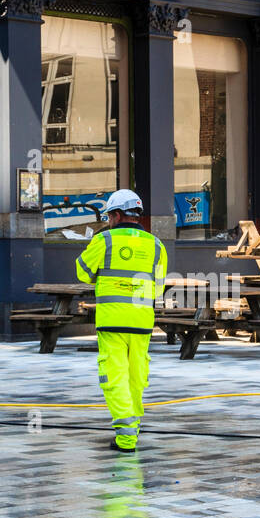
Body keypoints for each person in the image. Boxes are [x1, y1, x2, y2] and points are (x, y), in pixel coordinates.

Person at [75, 189, 167, 452]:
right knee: (136, 376)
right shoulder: (156, 245)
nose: (108, 220)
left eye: (109, 216)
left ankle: (126, 436)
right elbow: (158, 288)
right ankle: (133, 428)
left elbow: (82, 272)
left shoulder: (104, 240)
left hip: (112, 321)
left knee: (114, 377)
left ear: (116, 215)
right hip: (141, 322)